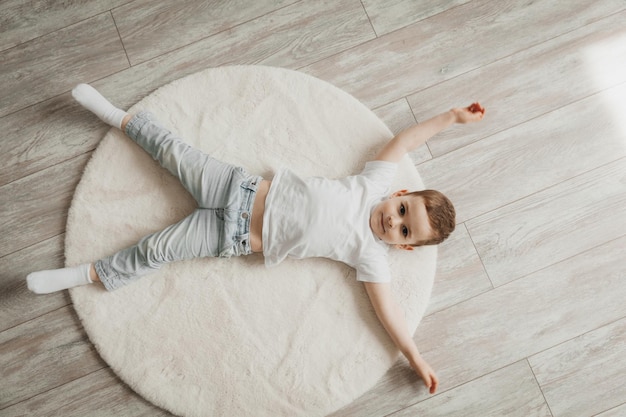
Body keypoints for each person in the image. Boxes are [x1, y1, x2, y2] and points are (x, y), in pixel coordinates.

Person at [27, 83, 485, 394]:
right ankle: (116, 115)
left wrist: (416, 357)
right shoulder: (374, 185)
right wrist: (451, 117)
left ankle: (85, 273)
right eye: (402, 210)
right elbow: (404, 142)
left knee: (159, 249)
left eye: (404, 231)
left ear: (404, 246)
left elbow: (390, 314)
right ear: (400, 193)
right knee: (173, 151)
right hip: (235, 186)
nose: (393, 221)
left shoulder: (371, 256)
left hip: (233, 235)